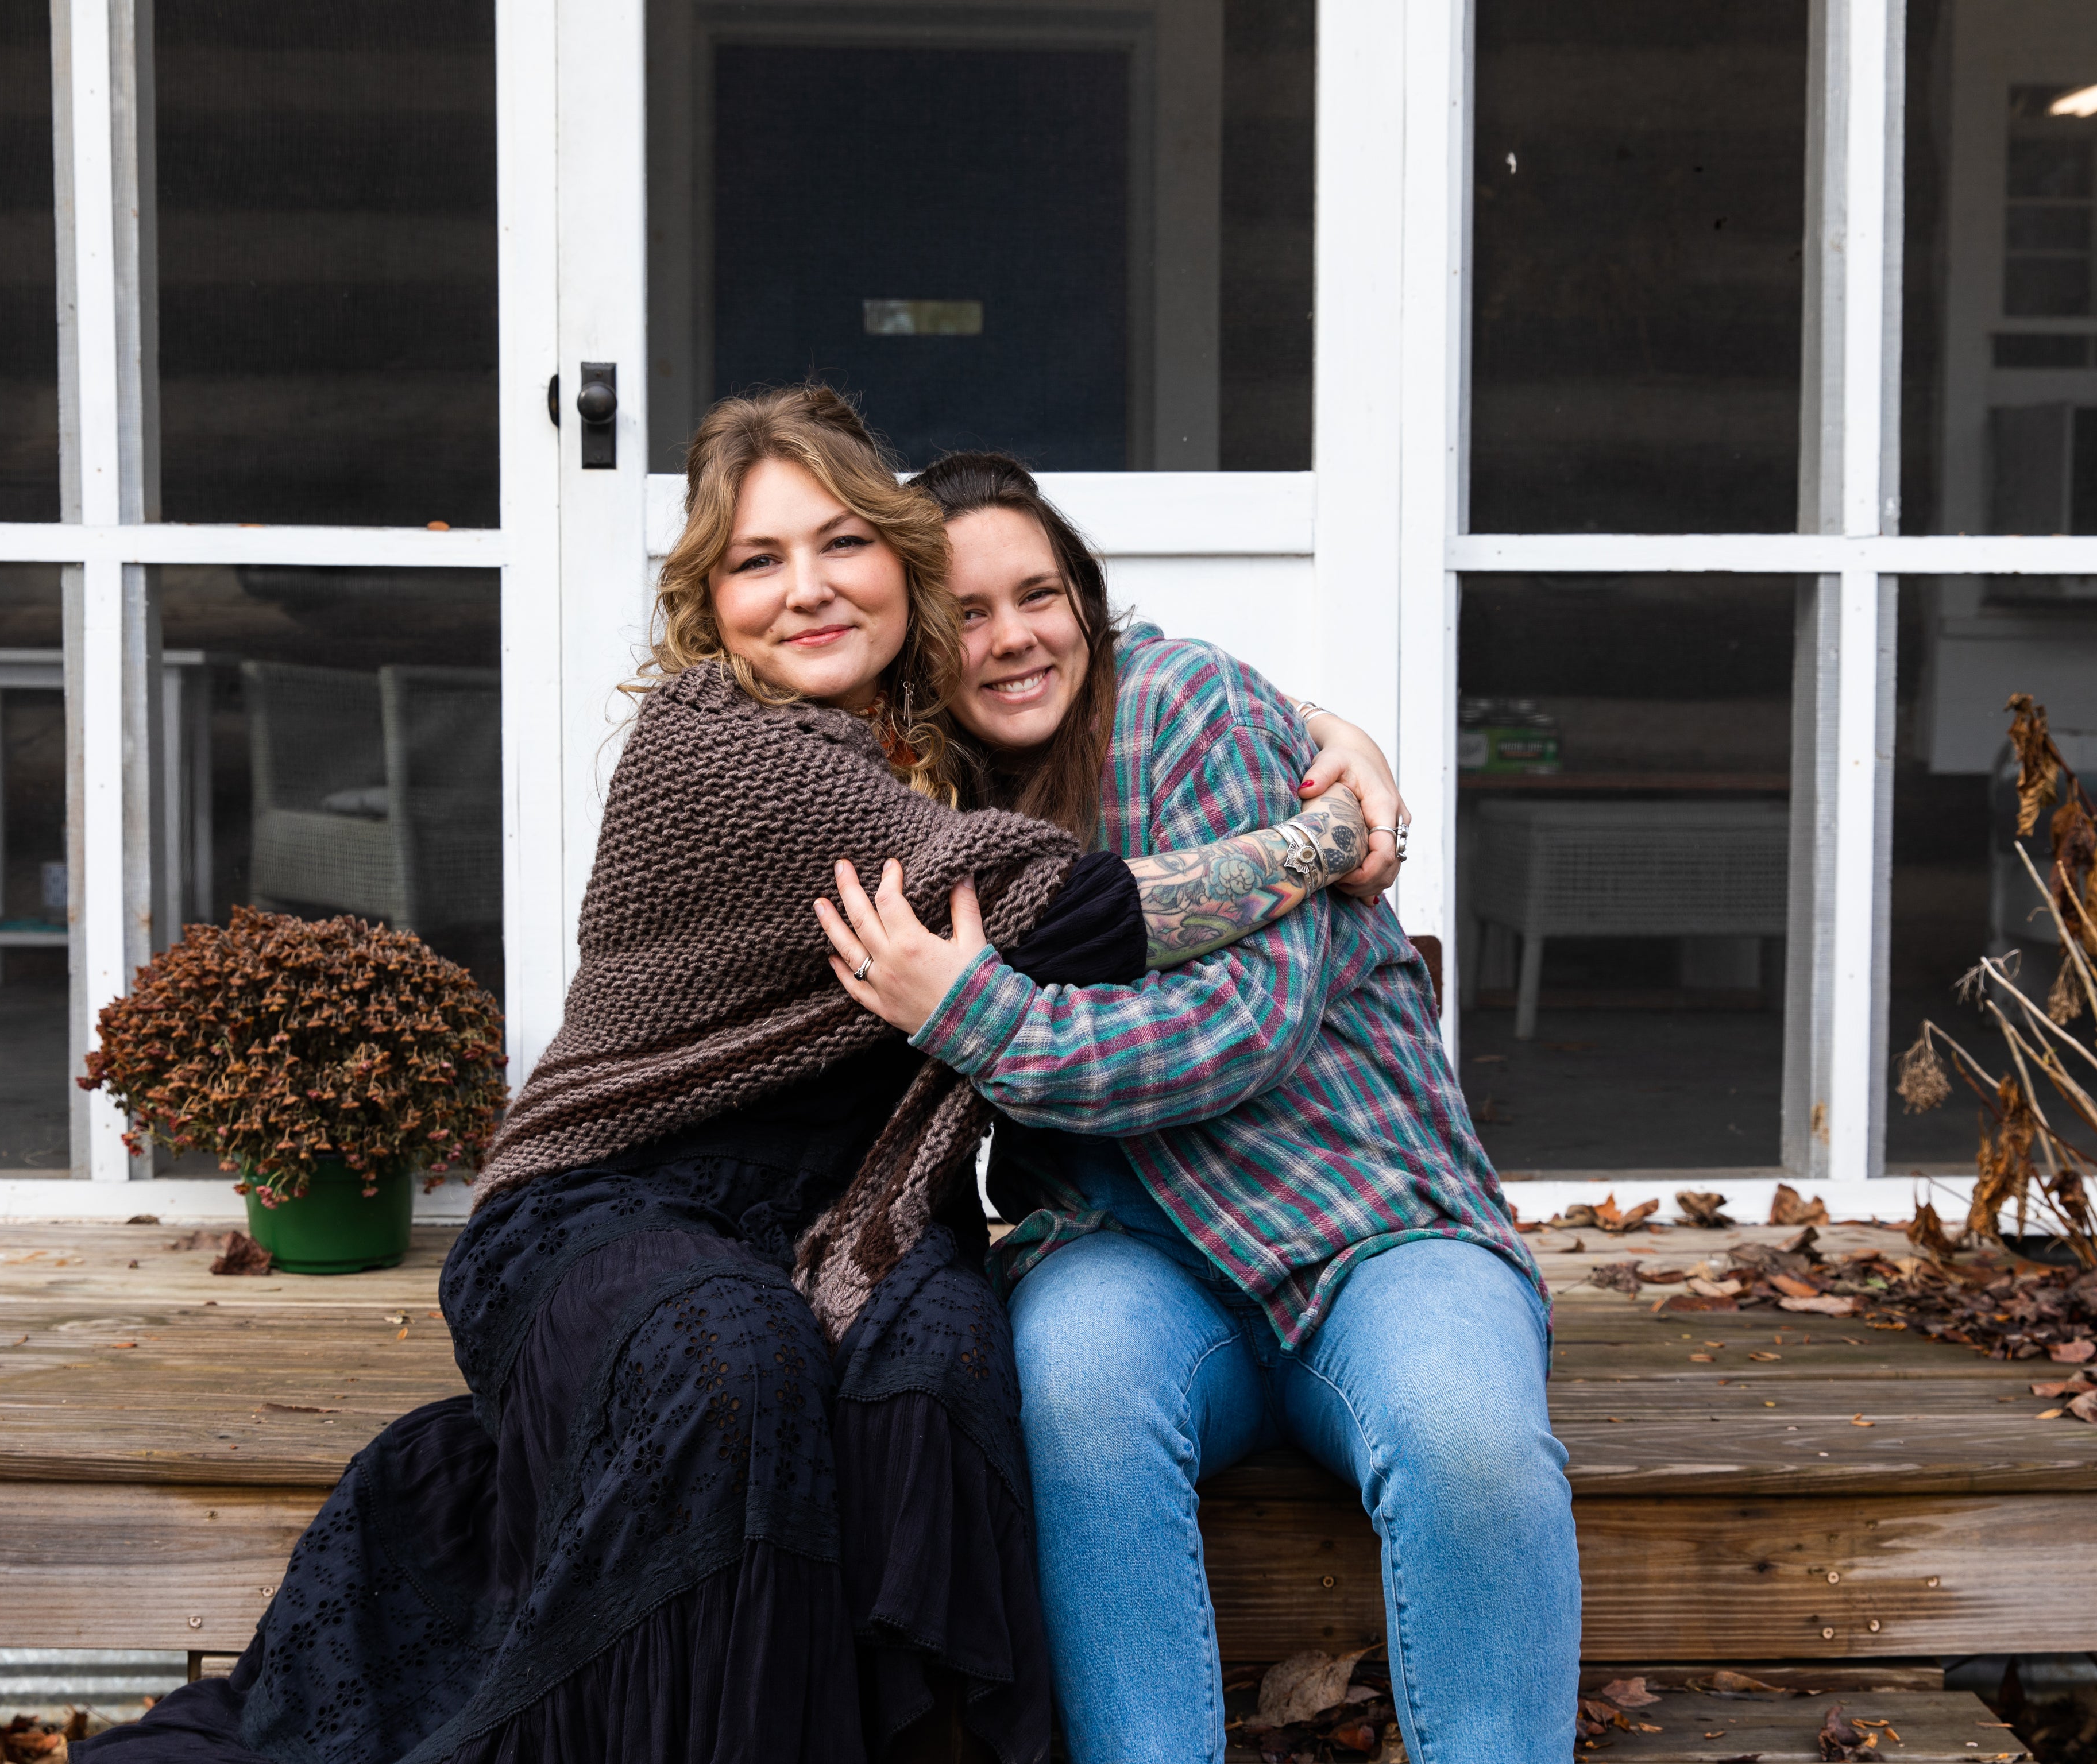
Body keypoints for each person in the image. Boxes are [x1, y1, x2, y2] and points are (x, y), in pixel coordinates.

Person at [78, 390, 1395, 1764]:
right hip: (611, 1209)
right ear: (710, 605)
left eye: (841, 545)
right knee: (737, 1360)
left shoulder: (936, 750)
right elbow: (1079, 914)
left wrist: (1317, 719)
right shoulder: (724, 752)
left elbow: (1090, 676)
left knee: (940, 1369)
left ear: (907, 565)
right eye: (759, 562)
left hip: (846, 1218)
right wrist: (1329, 832)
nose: (808, 590)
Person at [818, 452, 1581, 1764]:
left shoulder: (1189, 709)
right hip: (1128, 1250)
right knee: (1072, 1389)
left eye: (1039, 596)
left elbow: (1242, 1029)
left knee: (1468, 1435)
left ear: (1088, 603)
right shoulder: (917, 792)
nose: (1012, 641)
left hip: (1376, 1231)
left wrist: (972, 1010)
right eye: (966, 616)